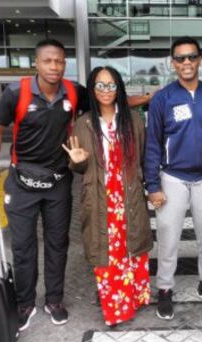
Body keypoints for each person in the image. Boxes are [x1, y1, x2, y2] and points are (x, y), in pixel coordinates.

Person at [0, 39, 88, 331]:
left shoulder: (73, 92)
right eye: (48, 61)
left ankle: (54, 300)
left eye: (59, 61)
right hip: (22, 182)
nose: (54, 67)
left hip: (58, 182)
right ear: (37, 62)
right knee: (23, 247)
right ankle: (24, 303)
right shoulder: (15, 93)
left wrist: (148, 98)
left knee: (58, 244)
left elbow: (108, 100)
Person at [63, 66, 153, 326]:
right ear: (92, 89)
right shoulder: (83, 123)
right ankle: (115, 309)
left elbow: (144, 157)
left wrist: (150, 187)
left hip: (129, 194)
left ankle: (135, 298)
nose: (106, 91)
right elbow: (78, 164)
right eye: (100, 85)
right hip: (101, 196)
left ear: (119, 88)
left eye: (111, 85)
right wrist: (78, 162)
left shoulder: (134, 120)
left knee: (132, 246)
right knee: (107, 251)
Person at [144, 36, 202, 320]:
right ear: (173, 63)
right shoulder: (163, 98)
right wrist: (152, 185)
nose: (186, 62)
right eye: (180, 58)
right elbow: (152, 143)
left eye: (191, 57)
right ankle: (165, 288)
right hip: (172, 178)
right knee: (168, 236)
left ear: (200, 60)